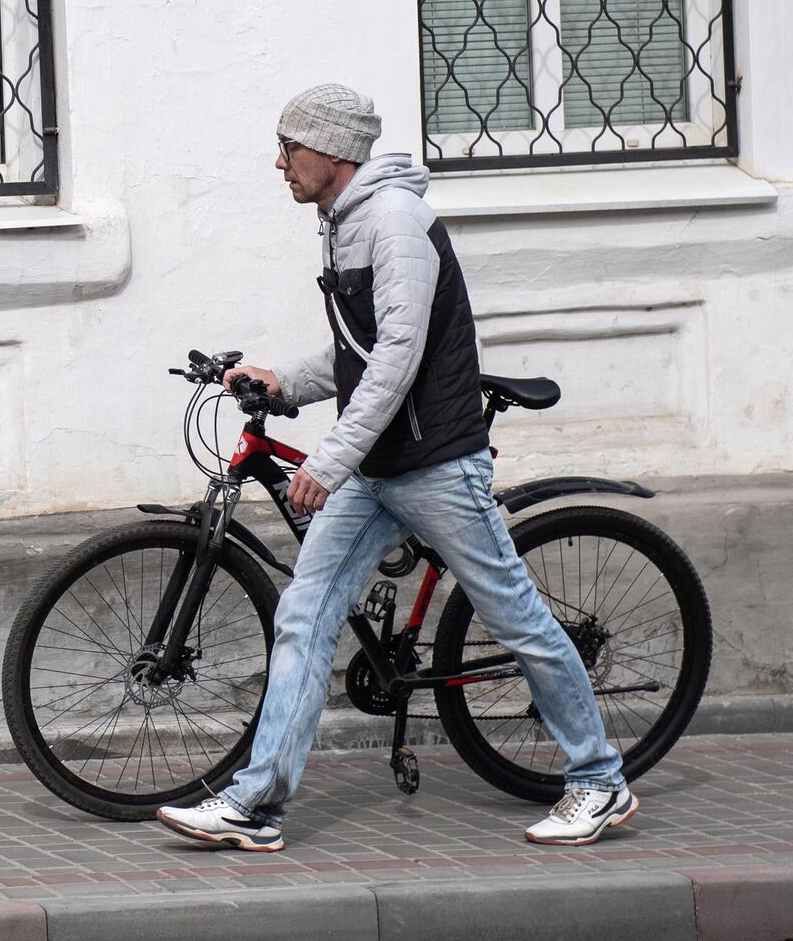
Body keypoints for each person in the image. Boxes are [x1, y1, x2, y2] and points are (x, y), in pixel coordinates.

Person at [155, 84, 634, 851]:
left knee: (515, 618)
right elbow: (358, 352)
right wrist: (286, 382)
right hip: (378, 468)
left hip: (436, 464)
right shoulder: (341, 224)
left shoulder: (397, 223)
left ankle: (601, 780)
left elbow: (400, 360)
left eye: (291, 147)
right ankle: (256, 804)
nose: (278, 162)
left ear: (335, 152)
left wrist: (332, 457)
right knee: (305, 614)